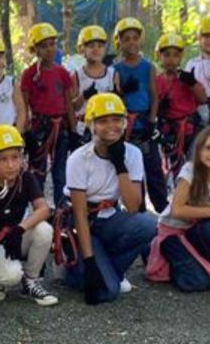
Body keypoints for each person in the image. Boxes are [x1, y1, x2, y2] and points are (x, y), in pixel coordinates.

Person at [61, 93, 158, 304]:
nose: (111, 126)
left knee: (147, 224)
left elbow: (133, 206)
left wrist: (119, 163)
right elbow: (79, 215)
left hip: (110, 216)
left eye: (116, 120)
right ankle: (81, 270)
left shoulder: (132, 154)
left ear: (124, 123)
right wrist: (89, 261)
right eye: (102, 121)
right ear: (91, 125)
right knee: (109, 292)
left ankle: (107, 270)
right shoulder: (79, 158)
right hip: (85, 221)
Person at [145, 124, 210, 292]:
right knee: (196, 284)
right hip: (173, 233)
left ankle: (192, 266)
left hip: (197, 230)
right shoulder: (190, 170)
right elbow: (177, 210)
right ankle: (159, 255)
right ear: (199, 149)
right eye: (209, 148)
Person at [0, 125, 57, 308]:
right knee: (11, 276)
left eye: (15, 158)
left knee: (44, 229)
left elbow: (43, 209)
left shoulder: (25, 178)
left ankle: (31, 280)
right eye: (3, 159)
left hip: (16, 234)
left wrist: (20, 229)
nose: (11, 165)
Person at [20, 23, 79, 208]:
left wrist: (73, 128)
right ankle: (40, 207)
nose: (49, 49)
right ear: (34, 49)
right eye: (43, 45)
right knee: (38, 170)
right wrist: (26, 130)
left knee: (60, 169)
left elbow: (68, 102)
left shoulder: (62, 73)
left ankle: (61, 206)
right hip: (40, 126)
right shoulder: (30, 75)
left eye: (52, 44)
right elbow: (25, 103)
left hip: (60, 125)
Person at [112, 18, 167, 212]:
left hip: (144, 122)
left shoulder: (148, 67)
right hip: (126, 123)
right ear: (119, 42)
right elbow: (115, 96)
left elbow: (154, 95)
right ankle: (139, 208)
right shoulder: (116, 69)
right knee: (133, 168)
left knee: (153, 167)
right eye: (126, 39)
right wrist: (122, 91)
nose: (131, 43)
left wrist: (152, 120)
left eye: (135, 38)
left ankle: (162, 207)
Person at [155, 33, 206, 181]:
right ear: (160, 56)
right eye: (167, 55)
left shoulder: (186, 78)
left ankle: (197, 194)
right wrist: (160, 107)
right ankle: (181, 194)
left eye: (175, 55)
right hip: (170, 131)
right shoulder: (157, 80)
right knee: (176, 166)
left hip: (189, 128)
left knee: (194, 163)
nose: (171, 59)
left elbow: (202, 98)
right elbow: (153, 105)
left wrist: (192, 84)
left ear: (180, 57)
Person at [72, 25, 119, 143]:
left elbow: (119, 103)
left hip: (107, 127)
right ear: (82, 49)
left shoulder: (112, 74)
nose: (96, 49)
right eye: (91, 46)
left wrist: (116, 94)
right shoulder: (77, 75)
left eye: (100, 46)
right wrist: (84, 96)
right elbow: (73, 106)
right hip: (84, 127)